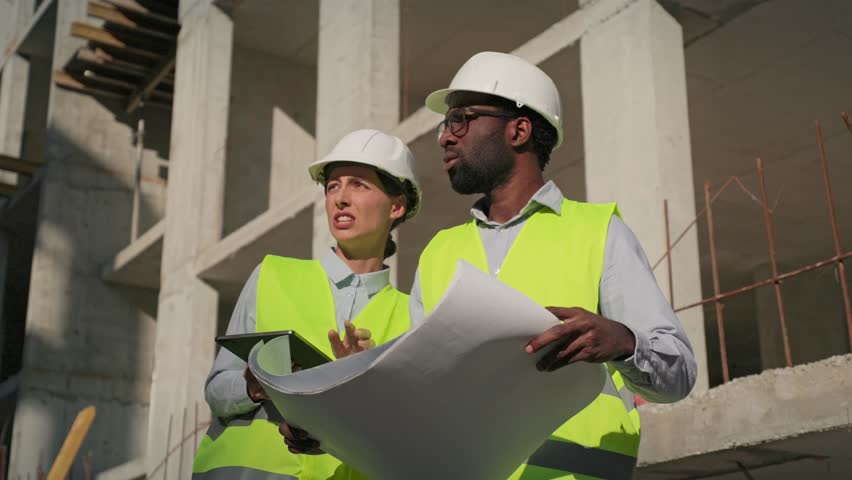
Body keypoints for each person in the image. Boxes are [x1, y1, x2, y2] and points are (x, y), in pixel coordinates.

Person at [412, 51, 697, 479]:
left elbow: (679, 374)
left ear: (519, 130)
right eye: (446, 124)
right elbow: (417, 393)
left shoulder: (599, 231)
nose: (446, 137)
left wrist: (623, 342)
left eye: (462, 119)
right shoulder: (438, 252)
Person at [192, 129, 421, 480]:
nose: (340, 198)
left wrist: (363, 385)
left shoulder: (412, 317)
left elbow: (405, 437)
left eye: (358, 184)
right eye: (333, 186)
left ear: (397, 205)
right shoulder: (272, 275)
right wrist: (256, 385)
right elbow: (217, 390)